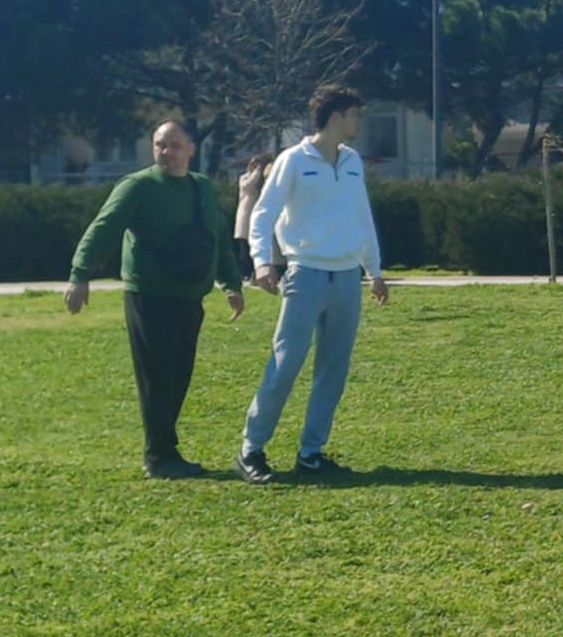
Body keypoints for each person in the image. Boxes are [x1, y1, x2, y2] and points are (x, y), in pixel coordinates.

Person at [64, 120, 246, 478]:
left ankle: (165, 449)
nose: (168, 152)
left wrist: (231, 284)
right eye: (161, 145)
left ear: (191, 149)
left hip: (190, 296)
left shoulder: (202, 188)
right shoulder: (137, 187)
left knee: (179, 374)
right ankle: (159, 457)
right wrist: (79, 275)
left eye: (175, 145)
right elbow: (103, 228)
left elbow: (218, 238)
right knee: (157, 376)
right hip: (149, 295)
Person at [234, 85, 389, 484]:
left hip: (347, 279)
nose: (358, 122)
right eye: (354, 114)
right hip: (305, 274)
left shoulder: (352, 161)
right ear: (336, 117)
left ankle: (311, 453)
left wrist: (374, 270)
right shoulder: (292, 160)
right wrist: (261, 262)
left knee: (333, 370)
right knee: (285, 364)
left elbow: (362, 215)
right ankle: (251, 449)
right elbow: (264, 213)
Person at [234, 153, 272, 278]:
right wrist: (257, 171)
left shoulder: (264, 181)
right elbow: (248, 186)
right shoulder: (244, 178)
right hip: (245, 216)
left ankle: (253, 272)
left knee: (255, 246)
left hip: (257, 216)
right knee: (244, 247)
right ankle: (244, 273)